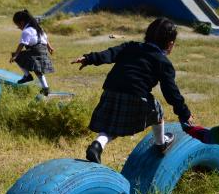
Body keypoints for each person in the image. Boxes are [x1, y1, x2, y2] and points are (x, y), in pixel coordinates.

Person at [72, 17, 192, 164]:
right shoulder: (163, 62)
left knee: (112, 126)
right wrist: (184, 113)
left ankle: (97, 145)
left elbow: (109, 54)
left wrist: (89, 58)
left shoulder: (131, 46)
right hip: (135, 95)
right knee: (157, 111)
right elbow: (171, 92)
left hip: (111, 91)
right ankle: (161, 143)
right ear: (170, 44)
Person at [10, 9, 55, 96]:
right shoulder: (38, 28)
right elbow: (45, 38)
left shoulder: (26, 31)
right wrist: (50, 47)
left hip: (35, 51)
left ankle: (27, 76)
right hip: (43, 50)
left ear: (22, 22)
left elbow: (22, 43)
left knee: (16, 56)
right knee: (38, 71)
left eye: (18, 26)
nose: (18, 28)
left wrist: (15, 55)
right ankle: (46, 89)